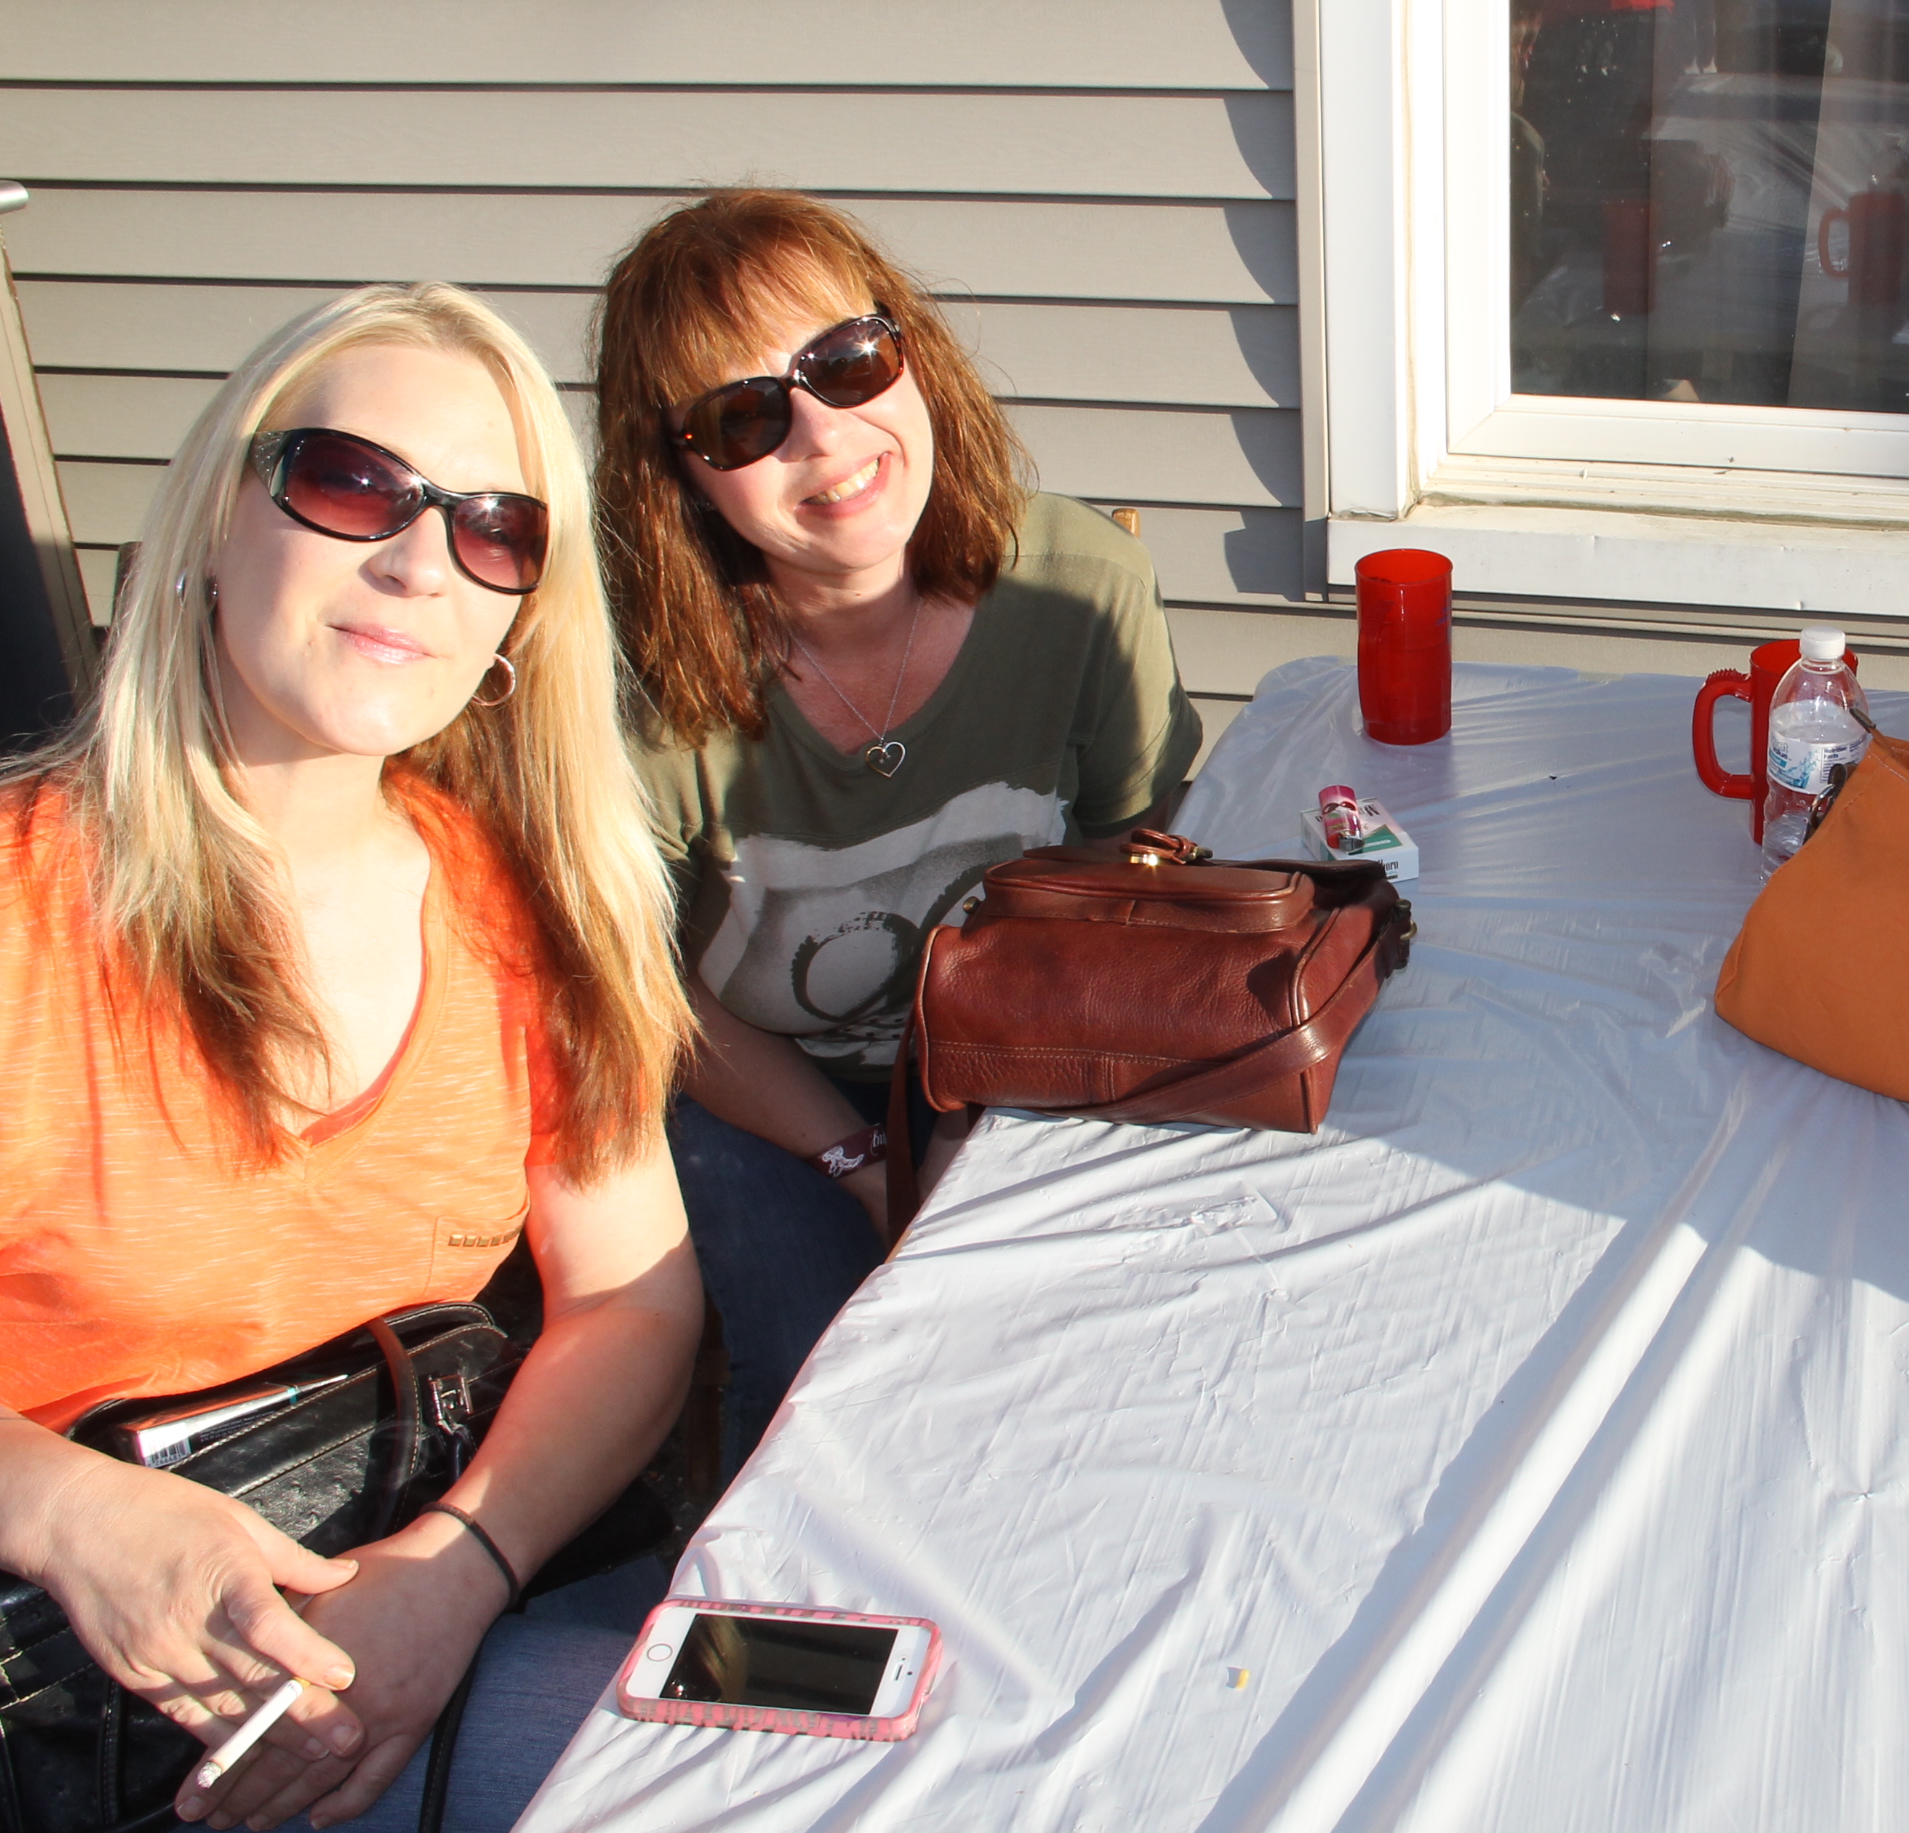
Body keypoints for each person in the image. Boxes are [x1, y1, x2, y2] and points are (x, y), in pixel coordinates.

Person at [0, 285, 700, 1832]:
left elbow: (629, 1297)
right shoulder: (20, 909)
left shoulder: (530, 904)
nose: (418, 562)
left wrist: (458, 1572)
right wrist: (61, 1511)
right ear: (214, 515)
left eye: (496, 528)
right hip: (68, 1691)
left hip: (439, 1576)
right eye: (351, 482)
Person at [593, 191, 1202, 1472]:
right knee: (825, 1383)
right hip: (752, 1087)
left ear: (909, 350)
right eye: (743, 417)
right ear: (679, 476)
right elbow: (649, 996)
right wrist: (871, 1164)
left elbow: (1125, 860)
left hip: (1017, 1053)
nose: (824, 433)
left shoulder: (1080, 589)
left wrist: (1000, 1109)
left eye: (847, 360)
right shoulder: (630, 693)